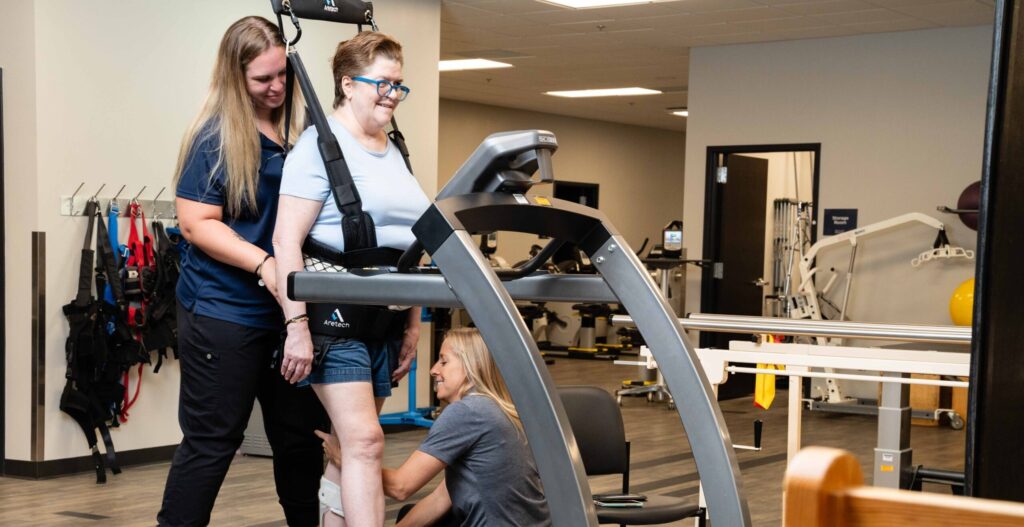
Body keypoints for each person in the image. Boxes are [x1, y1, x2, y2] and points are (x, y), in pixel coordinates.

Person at [158, 16, 328, 527]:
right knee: (214, 440)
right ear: (236, 78)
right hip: (223, 311)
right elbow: (194, 223)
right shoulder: (215, 136)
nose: (276, 87)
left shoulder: (298, 131)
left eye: (283, 75)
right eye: (262, 79)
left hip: (289, 312)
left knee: (299, 439)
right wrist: (264, 263)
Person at [273, 31, 429, 527]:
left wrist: (412, 321)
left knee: (349, 448)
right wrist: (295, 324)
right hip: (331, 317)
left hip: (384, 317)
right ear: (347, 83)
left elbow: (407, 243)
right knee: (365, 442)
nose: (392, 94)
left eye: (399, 85)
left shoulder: (395, 148)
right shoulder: (318, 149)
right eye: (382, 83)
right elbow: (284, 243)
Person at [317, 328, 552, 526]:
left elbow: (401, 487)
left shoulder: (468, 412)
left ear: (471, 366)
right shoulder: (497, 409)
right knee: (409, 514)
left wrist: (347, 459)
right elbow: (442, 498)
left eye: (444, 361)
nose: (433, 369)